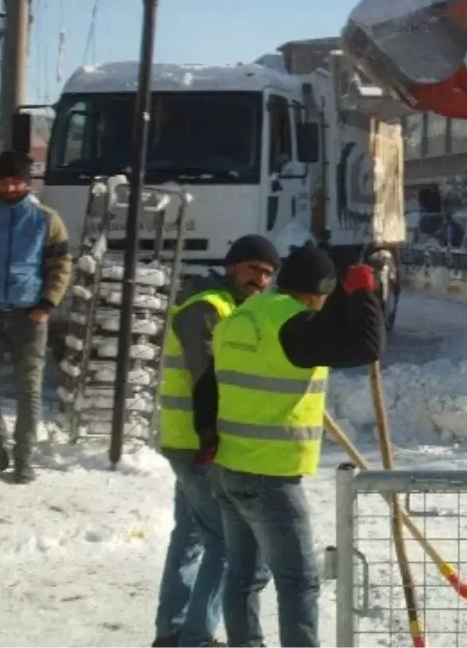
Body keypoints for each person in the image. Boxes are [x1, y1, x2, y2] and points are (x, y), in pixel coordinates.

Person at [199, 242, 385, 648]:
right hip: (270, 478)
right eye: (324, 297)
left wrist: (208, 441)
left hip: (229, 468)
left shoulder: (240, 317)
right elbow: (367, 345)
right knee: (299, 581)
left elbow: (207, 387)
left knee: (243, 577)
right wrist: (364, 290)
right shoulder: (294, 325)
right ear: (316, 292)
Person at [153, 235, 281, 648]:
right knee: (225, 543)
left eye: (266, 273)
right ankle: (195, 638)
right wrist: (212, 432)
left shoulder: (231, 309)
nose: (258, 279)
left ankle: (172, 632)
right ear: (232, 267)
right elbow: (205, 376)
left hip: (186, 437)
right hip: (197, 442)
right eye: (252, 269)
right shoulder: (208, 307)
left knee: (191, 536)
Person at [0, 150, 72, 484]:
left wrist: (47, 305)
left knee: (28, 390)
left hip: (29, 317)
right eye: (5, 181)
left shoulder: (46, 221)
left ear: (27, 182)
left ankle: (24, 457)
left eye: (17, 180)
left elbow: (61, 265)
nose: (10, 186)